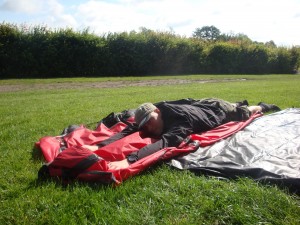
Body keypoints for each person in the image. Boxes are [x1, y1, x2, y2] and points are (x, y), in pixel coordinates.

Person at [84, 98, 280, 170]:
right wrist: (100, 145)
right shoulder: (154, 113)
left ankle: (261, 105)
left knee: (243, 112)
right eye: (144, 125)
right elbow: (130, 128)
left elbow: (167, 142)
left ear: (158, 113)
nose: (148, 129)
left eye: (149, 123)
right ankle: (240, 102)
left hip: (219, 110)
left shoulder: (179, 120)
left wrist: (129, 160)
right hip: (200, 104)